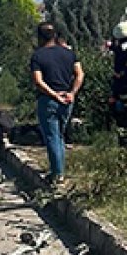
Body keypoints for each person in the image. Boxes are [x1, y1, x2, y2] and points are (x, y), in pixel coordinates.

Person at [30, 22, 84, 184]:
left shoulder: (38, 56)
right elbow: (80, 74)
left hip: (49, 100)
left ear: (40, 37)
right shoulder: (69, 54)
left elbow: (38, 81)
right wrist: (72, 93)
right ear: (55, 35)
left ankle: (57, 174)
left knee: (52, 137)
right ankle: (59, 170)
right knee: (59, 135)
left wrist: (54, 95)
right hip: (67, 99)